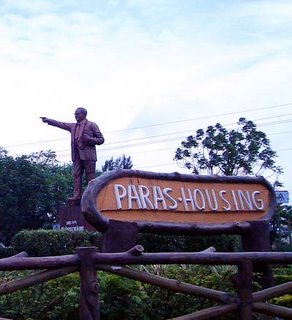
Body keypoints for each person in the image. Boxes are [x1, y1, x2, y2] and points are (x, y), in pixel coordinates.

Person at [41, 107, 104, 201]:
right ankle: (77, 195)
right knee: (76, 174)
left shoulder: (92, 125)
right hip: (77, 155)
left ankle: (91, 196)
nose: (75, 116)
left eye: (77, 114)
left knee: (90, 176)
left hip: (88, 156)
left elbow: (101, 139)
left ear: (84, 114)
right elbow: (60, 124)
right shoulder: (73, 126)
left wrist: (90, 140)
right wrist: (48, 120)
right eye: (75, 114)